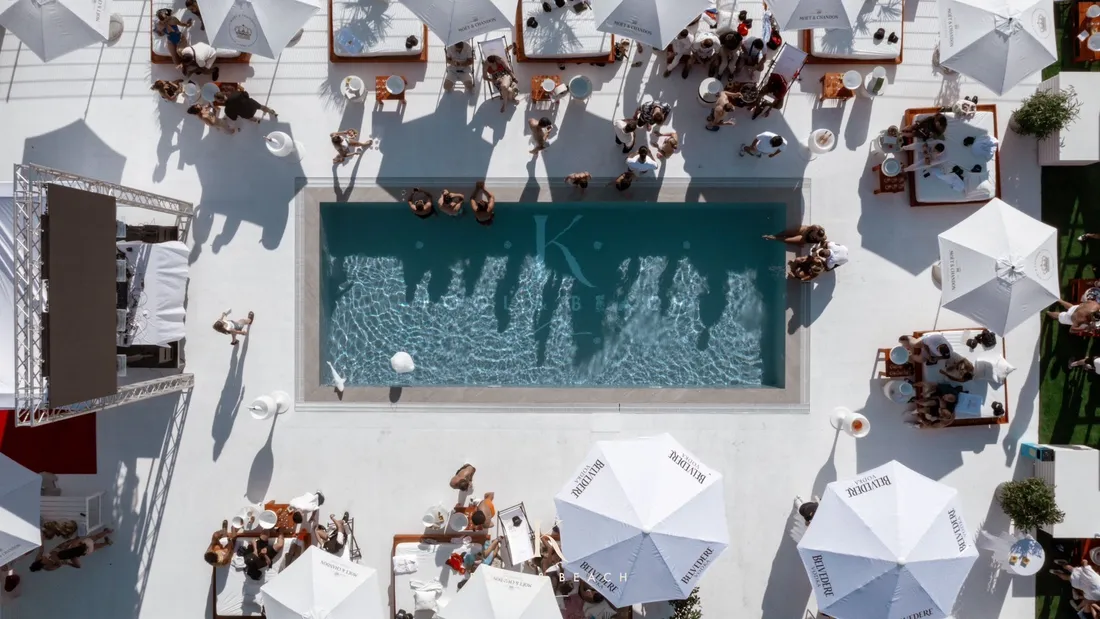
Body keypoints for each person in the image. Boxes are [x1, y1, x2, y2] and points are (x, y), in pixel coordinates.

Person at [30, 528, 114, 572]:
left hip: (81, 551)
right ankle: (106, 533)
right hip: (72, 549)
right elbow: (58, 562)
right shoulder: (49, 566)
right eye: (43, 560)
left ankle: (106, 543)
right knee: (94, 538)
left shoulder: (72, 556)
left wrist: (68, 563)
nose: (43, 558)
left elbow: (76, 565)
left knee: (95, 547)